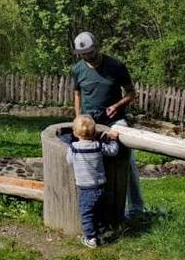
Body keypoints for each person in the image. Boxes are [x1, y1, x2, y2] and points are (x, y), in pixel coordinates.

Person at [71, 31, 144, 218]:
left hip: (115, 120)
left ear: (97, 47)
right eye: (84, 54)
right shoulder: (77, 69)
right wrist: (78, 118)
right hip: (89, 122)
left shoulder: (116, 66)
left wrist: (117, 105)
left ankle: (135, 208)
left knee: (128, 160)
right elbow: (77, 94)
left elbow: (131, 93)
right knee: (84, 158)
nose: (88, 56)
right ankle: (89, 208)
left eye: (90, 52)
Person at [66, 115, 120, 248]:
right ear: (95, 132)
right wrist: (113, 140)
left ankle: (90, 238)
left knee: (86, 213)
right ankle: (101, 232)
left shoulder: (74, 147)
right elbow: (113, 151)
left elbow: (69, 160)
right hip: (101, 186)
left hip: (86, 188)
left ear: (74, 133)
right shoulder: (98, 146)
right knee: (98, 210)